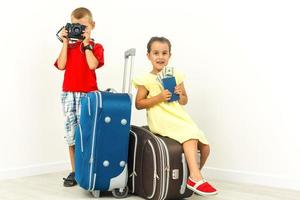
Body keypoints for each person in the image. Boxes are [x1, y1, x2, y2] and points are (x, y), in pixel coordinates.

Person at [132, 36, 217, 196]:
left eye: (164, 53)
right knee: (190, 136)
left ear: (169, 56)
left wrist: (180, 94)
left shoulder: (175, 75)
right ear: (148, 56)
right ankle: (196, 178)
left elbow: (184, 100)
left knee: (205, 146)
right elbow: (138, 104)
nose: (160, 57)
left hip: (179, 117)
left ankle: (193, 177)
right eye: (156, 53)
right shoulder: (145, 79)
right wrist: (158, 98)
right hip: (161, 119)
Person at [54, 7, 104, 187]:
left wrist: (87, 44)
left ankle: (89, 168)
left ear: (93, 26)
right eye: (76, 27)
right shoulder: (70, 46)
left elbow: (92, 65)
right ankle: (75, 171)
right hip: (68, 93)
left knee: (89, 132)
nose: (80, 31)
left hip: (89, 94)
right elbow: (61, 65)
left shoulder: (96, 46)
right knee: (72, 134)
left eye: (84, 27)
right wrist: (65, 41)